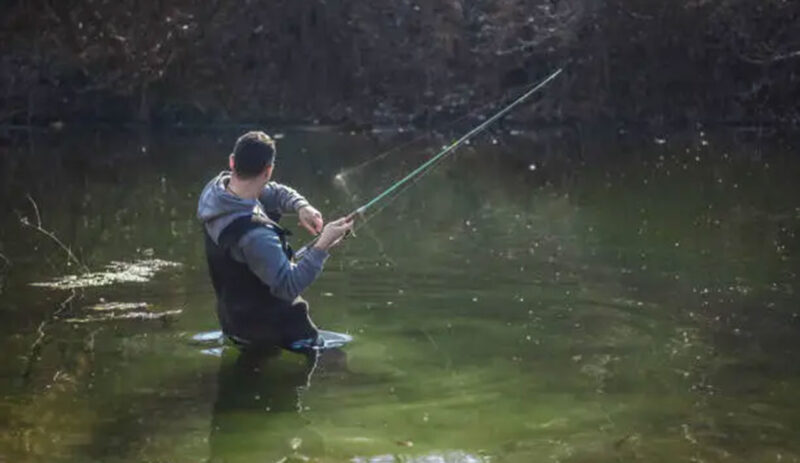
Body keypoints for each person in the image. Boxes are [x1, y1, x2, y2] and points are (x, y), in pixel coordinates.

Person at [197, 131, 353, 351]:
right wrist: (322, 245)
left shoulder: (214, 193)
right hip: (281, 331)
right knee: (338, 364)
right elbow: (288, 286)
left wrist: (301, 206)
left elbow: (274, 192)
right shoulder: (256, 235)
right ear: (268, 170)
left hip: (236, 324)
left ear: (232, 162)